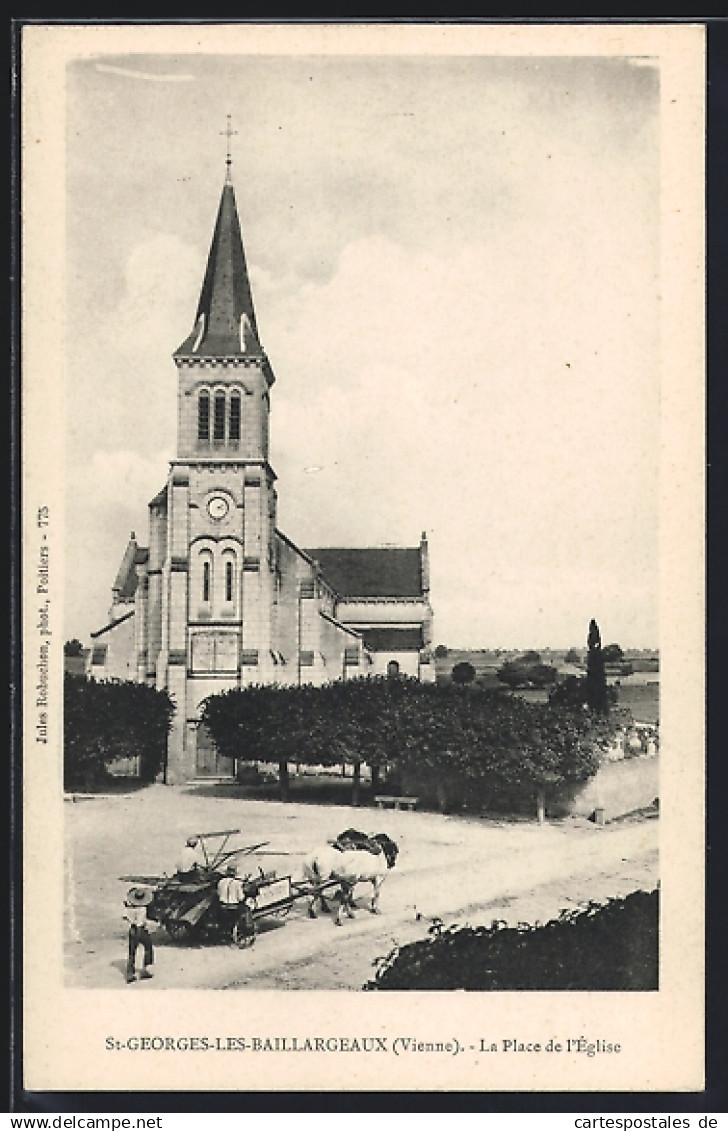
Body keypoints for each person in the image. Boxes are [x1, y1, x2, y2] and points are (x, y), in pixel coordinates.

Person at [123, 887, 154, 984]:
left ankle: (129, 974)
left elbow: (127, 919)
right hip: (141, 930)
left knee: (132, 952)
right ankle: (145, 970)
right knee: (148, 948)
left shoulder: (129, 909)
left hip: (132, 930)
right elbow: (142, 922)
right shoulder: (143, 909)